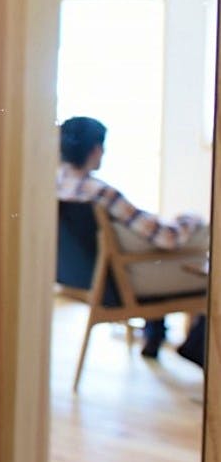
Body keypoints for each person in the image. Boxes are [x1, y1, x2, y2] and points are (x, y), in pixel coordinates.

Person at [57, 116, 209, 362]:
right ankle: (195, 345)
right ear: (96, 149)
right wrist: (190, 219)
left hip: (75, 277)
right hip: (116, 287)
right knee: (205, 276)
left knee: (147, 257)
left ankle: (155, 332)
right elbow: (167, 238)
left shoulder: (53, 187)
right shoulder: (101, 193)